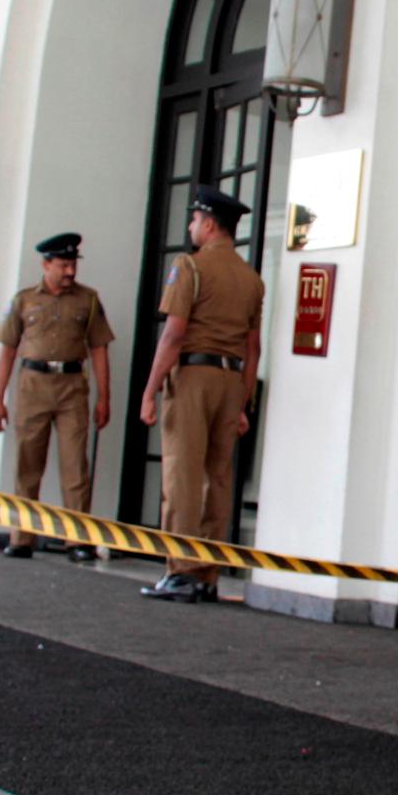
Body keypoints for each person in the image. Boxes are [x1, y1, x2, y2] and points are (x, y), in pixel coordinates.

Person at [137, 186, 264, 603]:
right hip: (230, 382)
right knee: (218, 479)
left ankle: (180, 571)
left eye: (194, 220)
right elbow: (253, 348)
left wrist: (151, 389)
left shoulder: (189, 267)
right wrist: (244, 400)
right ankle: (207, 575)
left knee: (182, 477)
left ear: (209, 225)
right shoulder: (251, 279)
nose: (191, 226)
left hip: (192, 377)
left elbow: (173, 334)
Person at [0, 232, 115, 559]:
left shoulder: (88, 300)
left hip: (72, 386)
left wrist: (105, 398)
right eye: (63, 265)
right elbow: (7, 351)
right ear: (46, 264)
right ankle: (22, 536)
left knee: (76, 466)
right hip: (33, 384)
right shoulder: (23, 300)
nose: (70, 272)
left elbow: (100, 349)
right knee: (28, 463)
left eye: (73, 264)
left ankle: (77, 539)